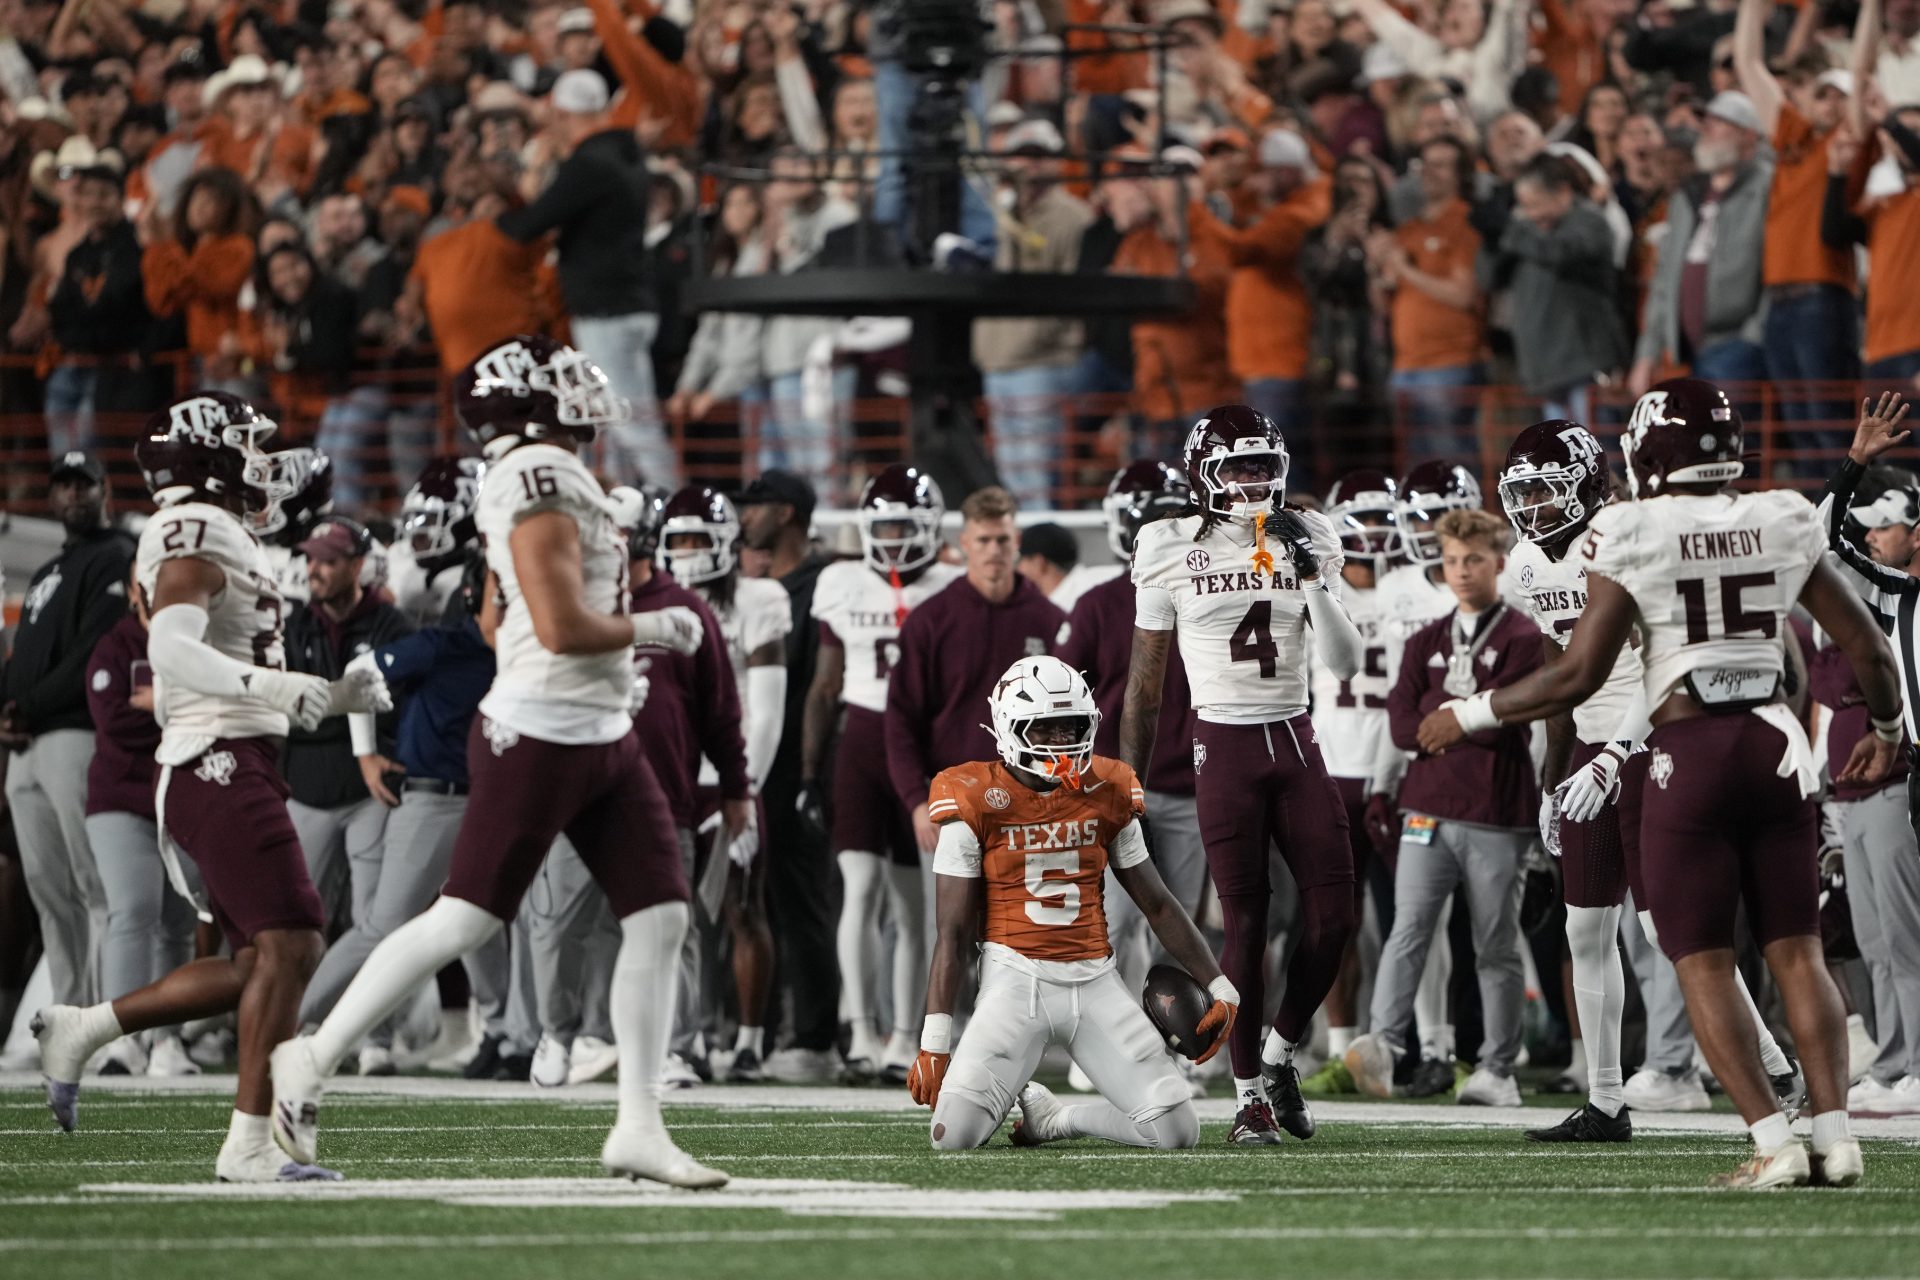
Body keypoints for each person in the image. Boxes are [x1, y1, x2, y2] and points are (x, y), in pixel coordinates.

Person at [1417, 378, 1903, 1188]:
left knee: (1689, 948)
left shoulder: (1629, 529)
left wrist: (1473, 717)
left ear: (1637, 459)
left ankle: (1774, 1126)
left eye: (1546, 489)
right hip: (1769, 740)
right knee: (1788, 946)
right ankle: (1823, 1132)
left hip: (1665, 742)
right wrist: (1888, 732)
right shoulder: (1773, 514)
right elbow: (1859, 644)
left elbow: (1580, 671)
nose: (1534, 508)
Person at [270, 335, 721, 1188]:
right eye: (556, 380)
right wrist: (657, 628)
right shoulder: (536, 475)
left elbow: (523, 617)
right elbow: (557, 627)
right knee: (465, 920)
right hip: (543, 729)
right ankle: (312, 1054)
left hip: (595, 726)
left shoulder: (541, 472)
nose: (578, 388)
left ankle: (637, 1125)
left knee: (660, 917)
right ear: (525, 402)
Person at [32, 389, 389, 1182]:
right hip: (215, 757)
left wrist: (333, 696)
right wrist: (271, 690)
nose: (262, 460)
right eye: (246, 444)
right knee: (294, 940)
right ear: (209, 454)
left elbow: (231, 663)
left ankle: (85, 1029)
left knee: (256, 960)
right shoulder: (195, 527)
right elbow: (172, 651)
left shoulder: (218, 529)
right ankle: (251, 1145)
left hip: (234, 755)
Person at [1120, 404, 1364, 1144]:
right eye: (1239, 467)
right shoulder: (1167, 544)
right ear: (1205, 476)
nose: (1255, 481)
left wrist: (1313, 573)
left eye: (1265, 466)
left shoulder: (1311, 532)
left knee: (1336, 915)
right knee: (1247, 923)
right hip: (1221, 746)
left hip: (1295, 738)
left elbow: (1346, 664)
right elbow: (1144, 685)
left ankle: (1283, 1051)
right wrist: (1125, 785)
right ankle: (1249, 1095)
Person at [909, 656, 1236, 1151]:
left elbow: (1159, 904)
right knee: (950, 1137)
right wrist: (934, 1041)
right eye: (1047, 728)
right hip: (1015, 982)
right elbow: (951, 936)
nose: (1063, 741)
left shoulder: (1109, 787)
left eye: (1072, 727)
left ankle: (1058, 1119)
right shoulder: (972, 794)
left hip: (1095, 979)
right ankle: (1001, 1099)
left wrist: (1220, 985)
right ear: (1009, 727)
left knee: (1177, 1132)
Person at [1343, 508, 1544, 1108]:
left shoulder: (1524, 637)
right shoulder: (1426, 638)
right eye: (1452, 560)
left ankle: (1498, 1069)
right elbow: (1404, 725)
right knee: (1406, 930)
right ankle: (1382, 1044)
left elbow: (1512, 720)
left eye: (1474, 560)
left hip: (1496, 812)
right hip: (1424, 810)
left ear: (1500, 564)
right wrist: (1464, 720)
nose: (1461, 572)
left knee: (1494, 943)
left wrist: (1451, 719)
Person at [299, 481, 494, 1070]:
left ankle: (511, 1033)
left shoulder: (510, 644)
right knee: (383, 923)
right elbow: (363, 672)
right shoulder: (444, 638)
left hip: (487, 793)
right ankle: (296, 1019)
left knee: (493, 919)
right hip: (430, 790)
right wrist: (364, 752)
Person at [806, 466, 960, 1079]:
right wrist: (809, 768)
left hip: (924, 745)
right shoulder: (841, 580)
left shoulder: (950, 583)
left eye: (905, 525)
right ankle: (862, 1033)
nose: (894, 538)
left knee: (912, 904)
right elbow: (824, 684)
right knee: (860, 892)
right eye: (885, 525)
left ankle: (905, 1035)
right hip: (862, 739)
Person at [1056, 462, 1208, 1064]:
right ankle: (1117, 1051)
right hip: (1111, 788)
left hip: (1191, 784)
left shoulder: (1204, 590)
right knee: (1115, 926)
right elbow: (1063, 698)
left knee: (1183, 930)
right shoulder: (1097, 603)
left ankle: (1176, 1046)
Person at [615, 488, 748, 1088]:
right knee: (566, 922)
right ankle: (570, 1037)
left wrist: (737, 787)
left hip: (670, 790)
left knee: (677, 921)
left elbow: (724, 710)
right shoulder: (578, 598)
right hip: (587, 788)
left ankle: (682, 1043)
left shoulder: (692, 607)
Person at [658, 486, 789, 1080]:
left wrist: (747, 791)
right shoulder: (653, 601)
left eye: (696, 540)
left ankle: (748, 1040)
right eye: (676, 540)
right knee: (671, 914)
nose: (686, 553)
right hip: (673, 771)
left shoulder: (759, 598)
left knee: (741, 908)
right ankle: (685, 1037)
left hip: (732, 773)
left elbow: (767, 706)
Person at [1813, 394, 1920, 1112]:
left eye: (1891, 527)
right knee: (1883, 934)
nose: (1879, 539)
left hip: (1898, 778)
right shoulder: (1895, 596)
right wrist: (1853, 464)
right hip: (1910, 770)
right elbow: (1821, 544)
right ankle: (1899, 1064)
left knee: (1905, 931)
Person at [281, 516, 416, 1074]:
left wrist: (323, 706)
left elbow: (394, 706)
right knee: (295, 920)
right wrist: (340, 704)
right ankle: (302, 1023)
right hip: (307, 790)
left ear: (358, 566)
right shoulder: (292, 627)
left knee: (375, 920)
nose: (316, 569)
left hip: (371, 794)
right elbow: (288, 707)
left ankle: (375, 1034)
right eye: (312, 559)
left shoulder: (390, 624)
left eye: (329, 560)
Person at [3, 450, 135, 1008]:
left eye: (84, 485)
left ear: (105, 491)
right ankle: (66, 1013)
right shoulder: (51, 570)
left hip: (73, 735)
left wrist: (25, 704)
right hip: (28, 745)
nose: (73, 495)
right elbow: (22, 656)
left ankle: (103, 1017)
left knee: (92, 884)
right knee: (49, 891)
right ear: (52, 495)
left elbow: (93, 653)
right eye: (64, 486)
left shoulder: (115, 556)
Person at [497, 70, 673, 487]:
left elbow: (530, 224)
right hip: (627, 304)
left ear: (560, 113)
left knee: (628, 420)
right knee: (613, 427)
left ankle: (674, 505)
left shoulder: (590, 163)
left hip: (607, 311)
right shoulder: (625, 154)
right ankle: (628, 509)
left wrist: (511, 202)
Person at [736, 470, 842, 1080]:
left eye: (759, 506)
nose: (746, 517)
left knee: (800, 899)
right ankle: (761, 1030)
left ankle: (814, 1035)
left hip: (799, 762)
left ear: (789, 512)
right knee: (750, 902)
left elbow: (821, 686)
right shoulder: (757, 585)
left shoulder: (822, 581)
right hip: (750, 759)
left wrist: (808, 770)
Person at [1301, 468, 1402, 1087]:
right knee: (1332, 916)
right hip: (1333, 768)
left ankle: (1411, 1044)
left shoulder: (1419, 589)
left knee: (1412, 922)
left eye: (1383, 521)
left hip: (1402, 771)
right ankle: (1341, 1046)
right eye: (1360, 523)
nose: (1373, 535)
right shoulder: (1313, 590)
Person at [82, 565, 199, 1077]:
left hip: (183, 798)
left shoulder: (199, 637)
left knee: (179, 920)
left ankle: (167, 1041)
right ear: (133, 588)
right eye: (145, 579)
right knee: (133, 909)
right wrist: (181, 711)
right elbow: (115, 721)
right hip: (122, 798)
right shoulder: (114, 644)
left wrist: (164, 706)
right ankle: (121, 1039)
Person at [973, 119, 1095, 510]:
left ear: (1057, 161)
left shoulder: (1073, 216)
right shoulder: (998, 212)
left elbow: (1071, 294)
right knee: (1011, 475)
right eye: (1022, 156)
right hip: (998, 358)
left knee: (1040, 476)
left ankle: (1044, 551)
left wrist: (1037, 337)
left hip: (1042, 361)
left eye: (1039, 156)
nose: (1029, 165)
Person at [1629, 91, 1773, 395]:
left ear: (1748, 135)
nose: (1705, 130)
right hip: (1687, 352)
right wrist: (1646, 355)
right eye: (1705, 123)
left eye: (1719, 123)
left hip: (1739, 346)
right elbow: (1664, 281)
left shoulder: (1768, 187)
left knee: (1738, 439)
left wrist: (1754, 334)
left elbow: (1780, 266)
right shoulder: (1688, 196)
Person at [1018, 521, 1120, 615]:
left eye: (1020, 560)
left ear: (1039, 563)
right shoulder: (1099, 579)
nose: (1018, 568)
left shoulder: (1067, 606)